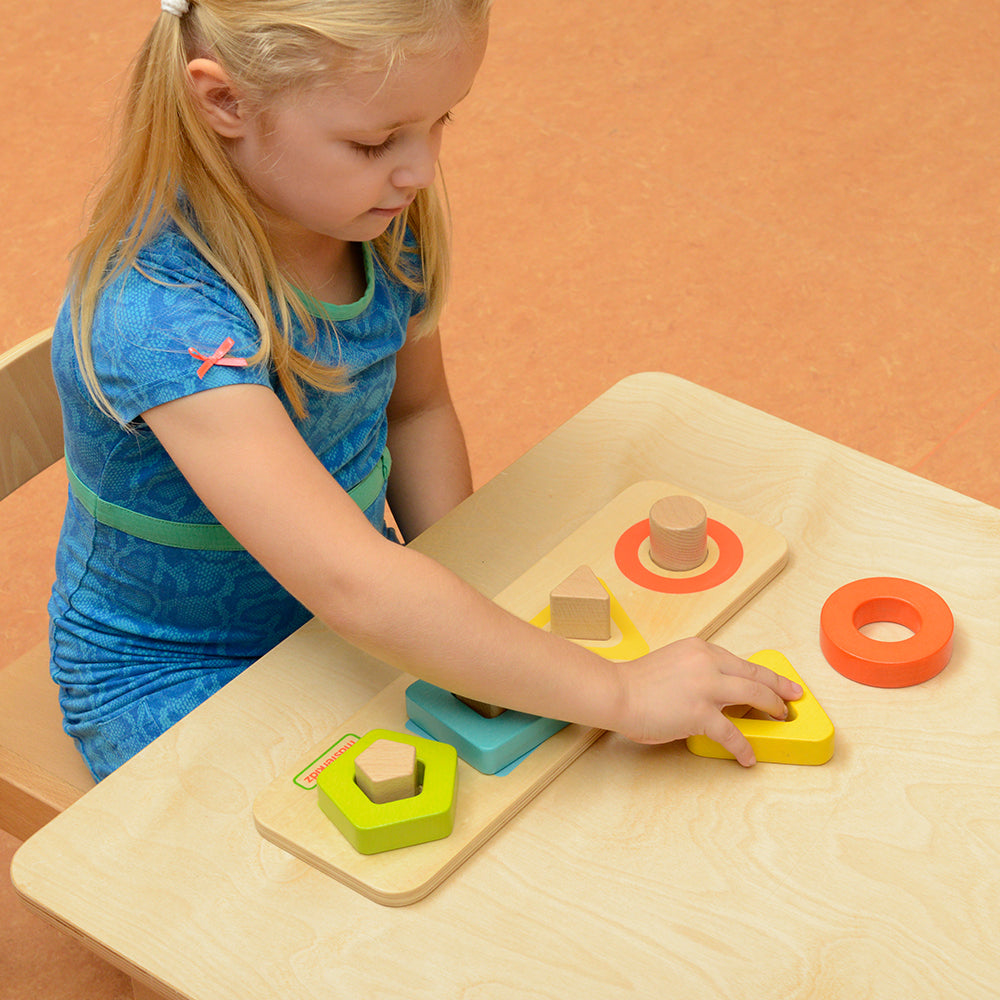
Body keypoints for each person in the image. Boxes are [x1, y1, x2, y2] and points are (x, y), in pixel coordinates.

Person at [49, 0, 800, 782]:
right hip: (181, 672)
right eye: (374, 141)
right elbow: (352, 583)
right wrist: (618, 690)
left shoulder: (374, 215)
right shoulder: (160, 320)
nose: (419, 170)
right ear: (225, 101)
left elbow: (418, 411)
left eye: (442, 122)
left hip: (351, 619)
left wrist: (469, 605)